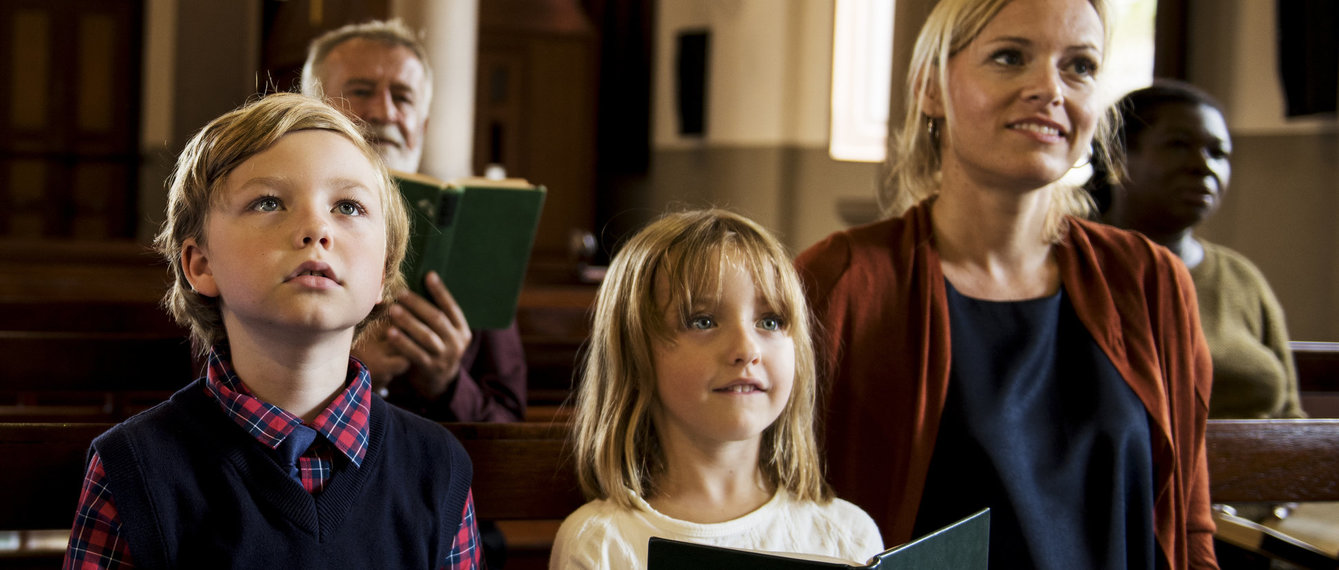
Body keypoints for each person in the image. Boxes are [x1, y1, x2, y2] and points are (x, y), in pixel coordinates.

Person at [795, 0, 1217, 568]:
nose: (1051, 88)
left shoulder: (1149, 281)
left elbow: (1187, 525)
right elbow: (777, 506)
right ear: (931, 89)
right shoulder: (844, 281)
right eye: (1010, 57)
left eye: (1080, 66)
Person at [62, 93, 481, 568]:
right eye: (268, 202)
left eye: (348, 206)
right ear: (201, 265)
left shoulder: (437, 467)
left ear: (383, 273)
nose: (316, 228)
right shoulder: (132, 467)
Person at [550, 209, 883, 569]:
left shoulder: (846, 536)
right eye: (703, 321)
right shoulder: (601, 544)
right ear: (635, 352)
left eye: (769, 321)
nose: (746, 350)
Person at [302, 19, 526, 422]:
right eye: (361, 91)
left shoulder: (471, 236)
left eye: (402, 97)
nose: (384, 111)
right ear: (310, 111)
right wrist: (334, 365)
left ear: (421, 127)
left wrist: (448, 383)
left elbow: (508, 420)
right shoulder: (271, 221)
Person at [1095, 80, 1304, 420]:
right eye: (1178, 145)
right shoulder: (1073, 264)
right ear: (1117, 157)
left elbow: (1291, 417)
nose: (1203, 165)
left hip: (1263, 469)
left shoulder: (1241, 277)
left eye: (1218, 153)